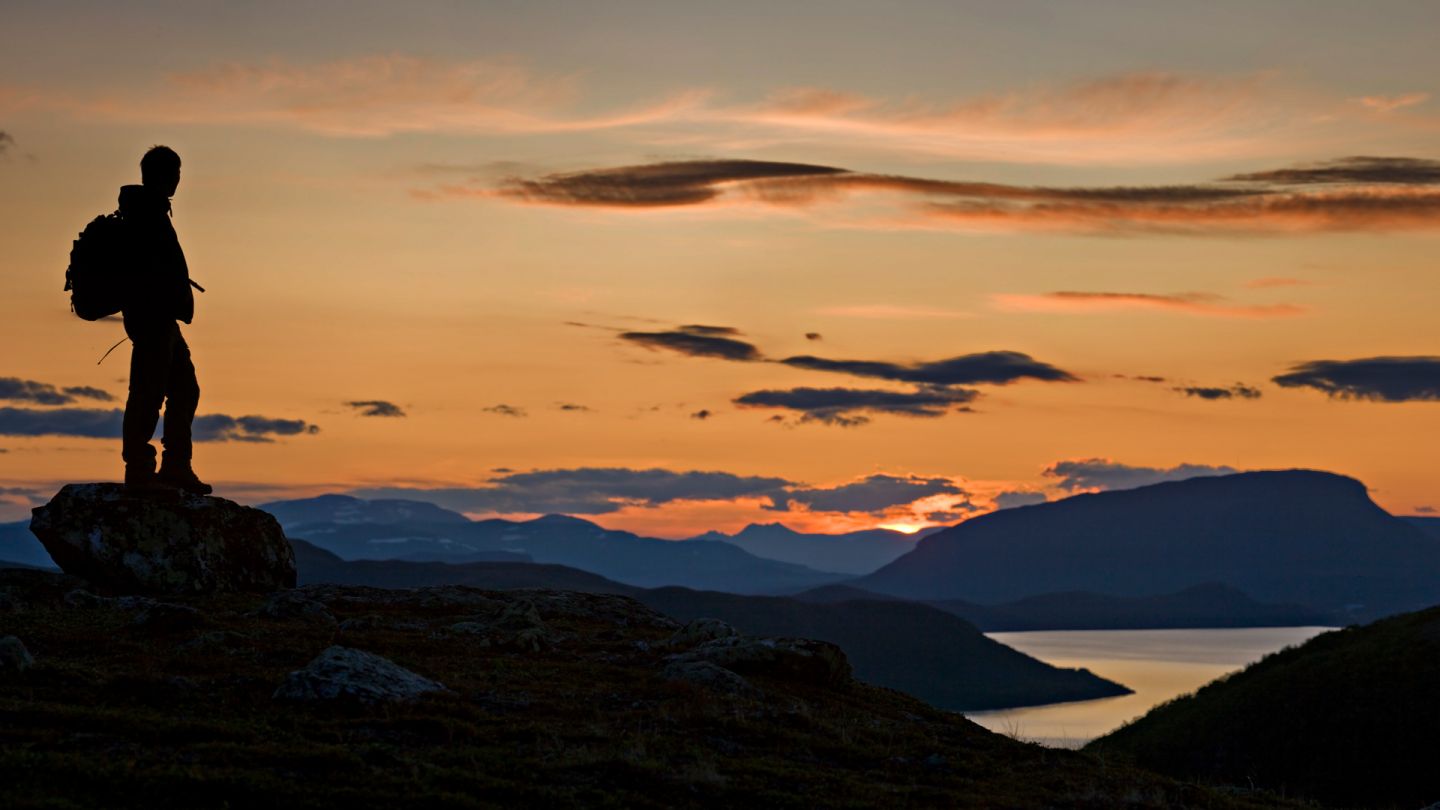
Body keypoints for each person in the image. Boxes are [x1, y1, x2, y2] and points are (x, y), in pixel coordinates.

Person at [119, 145, 211, 495]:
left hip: (161, 318)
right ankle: (141, 471)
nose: (177, 180)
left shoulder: (151, 211)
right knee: (148, 392)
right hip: (151, 317)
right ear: (163, 175)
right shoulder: (144, 215)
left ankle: (176, 466)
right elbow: (147, 270)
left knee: (184, 389)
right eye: (174, 173)